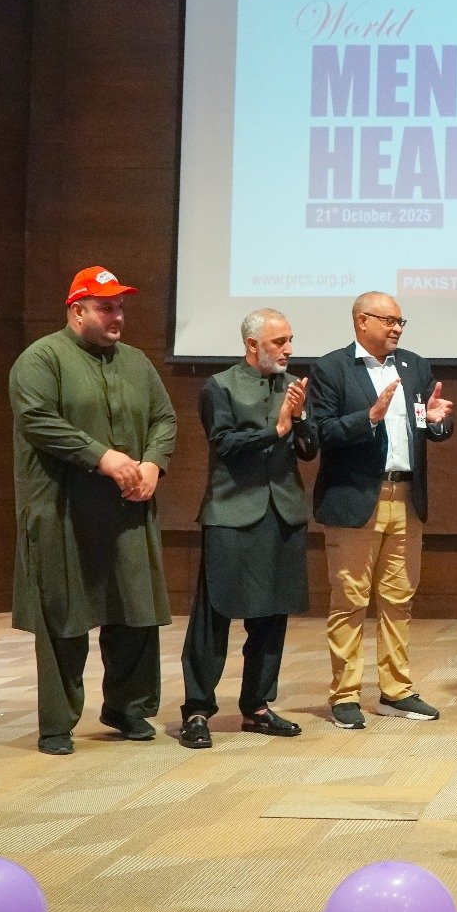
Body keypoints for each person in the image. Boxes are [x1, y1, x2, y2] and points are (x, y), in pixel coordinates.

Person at [9, 266, 177, 755]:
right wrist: (101, 456)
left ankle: (128, 709)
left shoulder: (137, 362)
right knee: (64, 617)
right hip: (63, 510)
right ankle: (57, 724)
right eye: (106, 306)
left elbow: (164, 418)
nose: (117, 315)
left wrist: (152, 463)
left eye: (120, 305)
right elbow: (38, 420)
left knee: (135, 611)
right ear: (76, 310)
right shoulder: (41, 358)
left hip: (128, 508)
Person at [309, 292, 454, 729]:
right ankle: (346, 695)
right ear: (361, 322)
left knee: (399, 598)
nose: (396, 328)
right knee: (350, 599)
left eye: (400, 321)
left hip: (406, 497)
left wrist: (437, 419)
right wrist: (368, 418)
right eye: (388, 321)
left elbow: (430, 426)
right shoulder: (331, 369)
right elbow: (319, 432)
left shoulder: (414, 366)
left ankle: (396, 690)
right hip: (356, 498)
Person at [177, 309, 316, 750]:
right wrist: (277, 430)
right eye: (279, 342)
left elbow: (309, 451)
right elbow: (225, 445)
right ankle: (197, 709)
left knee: (273, 614)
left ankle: (257, 706)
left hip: (284, 510)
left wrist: (303, 419)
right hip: (232, 511)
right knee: (214, 614)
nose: (289, 350)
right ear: (253, 344)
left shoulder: (291, 386)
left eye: (291, 340)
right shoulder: (219, 386)